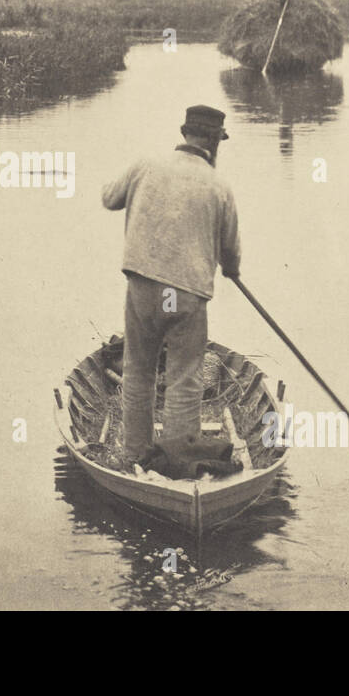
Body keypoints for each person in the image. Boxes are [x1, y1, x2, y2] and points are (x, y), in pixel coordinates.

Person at [101, 105, 241, 464]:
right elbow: (229, 250)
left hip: (144, 290)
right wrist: (232, 269)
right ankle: (178, 462)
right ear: (213, 142)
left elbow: (109, 199)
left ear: (185, 133)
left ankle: (135, 455)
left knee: (139, 371)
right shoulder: (218, 184)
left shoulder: (144, 165)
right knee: (184, 378)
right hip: (185, 297)